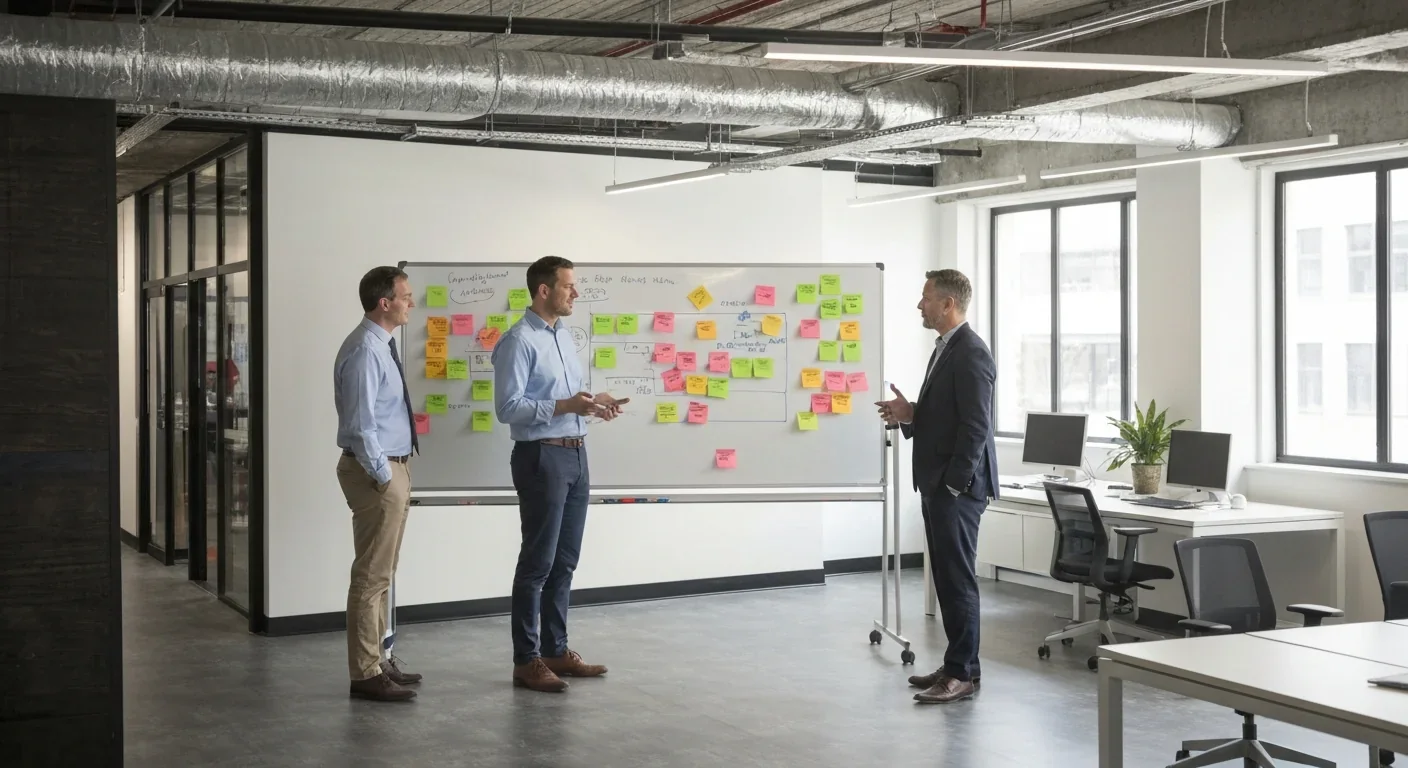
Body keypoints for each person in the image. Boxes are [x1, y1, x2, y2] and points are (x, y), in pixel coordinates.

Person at [493, 256, 627, 693]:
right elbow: (507, 408)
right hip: (541, 458)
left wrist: (593, 402)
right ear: (544, 291)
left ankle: (555, 649)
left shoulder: (564, 337)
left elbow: (569, 397)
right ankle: (526, 659)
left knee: (565, 561)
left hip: (576, 454)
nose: (576, 293)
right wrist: (567, 406)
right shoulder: (519, 341)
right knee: (537, 563)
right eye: (569, 286)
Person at [875, 269, 998, 704]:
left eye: (926, 298)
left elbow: (976, 427)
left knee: (957, 579)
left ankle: (960, 673)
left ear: (948, 304)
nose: (919, 305)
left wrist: (953, 486)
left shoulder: (971, 353)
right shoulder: (946, 349)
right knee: (946, 578)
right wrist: (911, 414)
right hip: (940, 483)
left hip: (956, 489)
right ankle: (961, 666)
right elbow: (946, 415)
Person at [333, 265, 423, 702]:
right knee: (370, 575)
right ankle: (366, 672)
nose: (411, 303)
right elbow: (360, 425)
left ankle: (378, 659)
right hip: (376, 471)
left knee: (383, 572)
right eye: (406, 296)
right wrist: (386, 476)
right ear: (384, 303)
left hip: (392, 467)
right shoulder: (367, 351)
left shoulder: (380, 345)